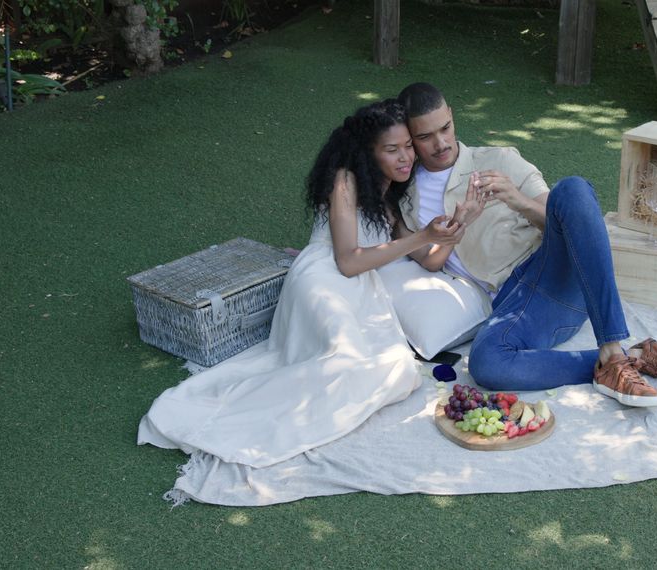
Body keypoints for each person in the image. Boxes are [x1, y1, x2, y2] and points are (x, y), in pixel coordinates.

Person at [138, 99, 463, 468]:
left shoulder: (389, 197)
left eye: (407, 146)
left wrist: (455, 228)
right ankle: (225, 423)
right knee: (343, 364)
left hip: (363, 291)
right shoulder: (345, 179)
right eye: (392, 149)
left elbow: (431, 262)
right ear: (367, 153)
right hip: (323, 279)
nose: (405, 156)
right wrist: (421, 238)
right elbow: (348, 260)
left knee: (397, 372)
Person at [395, 82, 657, 408]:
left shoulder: (499, 158)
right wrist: (461, 224)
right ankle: (634, 357)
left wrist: (517, 200)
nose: (441, 143)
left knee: (572, 189)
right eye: (425, 137)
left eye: (445, 128)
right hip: (517, 306)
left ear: (453, 117)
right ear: (409, 140)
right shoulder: (406, 202)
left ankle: (612, 346)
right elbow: (429, 260)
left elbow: (564, 218)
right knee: (486, 362)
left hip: (556, 272)